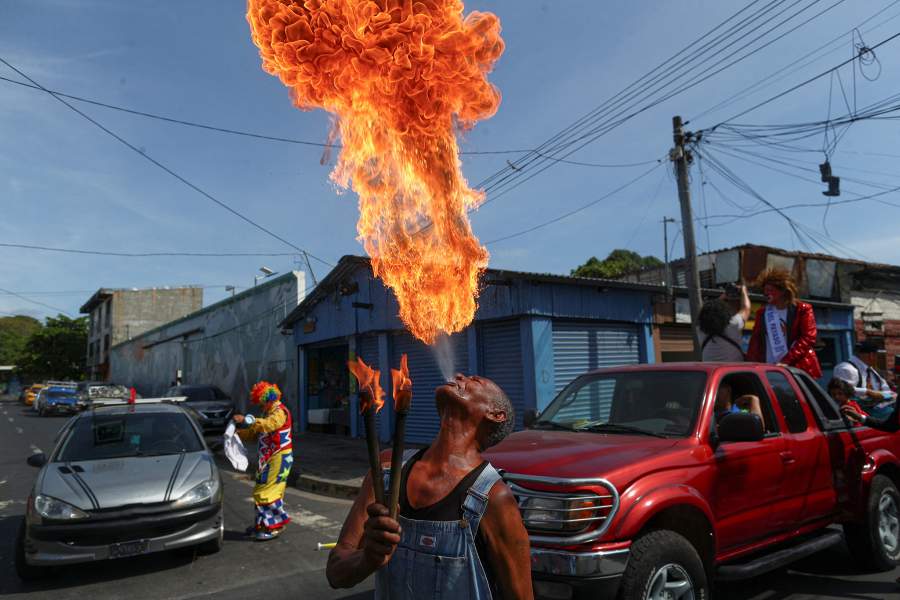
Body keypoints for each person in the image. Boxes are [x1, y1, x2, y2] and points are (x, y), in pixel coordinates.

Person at [326, 374, 533, 599]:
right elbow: (336, 574)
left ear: (495, 415)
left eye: (475, 380)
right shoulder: (387, 471)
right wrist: (368, 558)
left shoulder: (493, 496)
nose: (460, 376)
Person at [233, 381, 294, 541]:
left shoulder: (280, 412)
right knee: (261, 490)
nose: (261, 407)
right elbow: (255, 433)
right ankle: (262, 524)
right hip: (268, 459)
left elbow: (269, 425)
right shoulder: (268, 414)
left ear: (268, 399)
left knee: (267, 492)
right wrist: (238, 433)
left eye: (262, 403)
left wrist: (247, 420)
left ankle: (274, 526)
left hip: (279, 457)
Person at [746, 267, 822, 378]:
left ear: (782, 291)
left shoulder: (802, 309)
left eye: (770, 290)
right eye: (765, 290)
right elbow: (756, 341)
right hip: (769, 368)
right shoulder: (762, 312)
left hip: (797, 368)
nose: (766, 293)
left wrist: (786, 361)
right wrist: (750, 364)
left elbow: (808, 338)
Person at [698, 283, 751, 362]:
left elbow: (706, 311)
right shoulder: (733, 325)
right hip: (733, 372)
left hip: (711, 372)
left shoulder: (700, 330)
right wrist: (743, 290)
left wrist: (724, 296)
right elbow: (746, 308)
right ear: (724, 312)